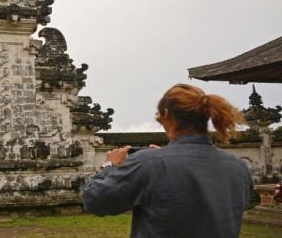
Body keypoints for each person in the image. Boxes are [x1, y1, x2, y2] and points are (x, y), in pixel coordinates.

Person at [81, 83, 253, 238]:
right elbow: (248, 201)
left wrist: (110, 166)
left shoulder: (150, 163)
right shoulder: (237, 166)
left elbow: (94, 200)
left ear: (166, 114)